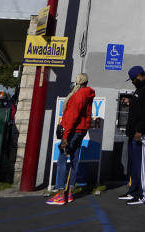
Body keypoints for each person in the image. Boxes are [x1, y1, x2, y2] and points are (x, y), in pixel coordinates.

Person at [46, 73, 96, 205]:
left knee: (62, 158)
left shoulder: (78, 96)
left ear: (77, 82)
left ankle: (61, 193)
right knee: (74, 159)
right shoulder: (88, 94)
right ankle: (70, 192)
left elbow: (72, 117)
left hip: (73, 131)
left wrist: (65, 137)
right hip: (81, 130)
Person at [121, 66, 145, 205]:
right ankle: (133, 191)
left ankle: (142, 195)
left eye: (133, 79)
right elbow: (140, 105)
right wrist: (131, 101)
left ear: (139, 76)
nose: (132, 82)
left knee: (142, 166)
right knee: (134, 165)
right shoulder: (141, 87)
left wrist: (139, 130)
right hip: (134, 134)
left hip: (143, 135)